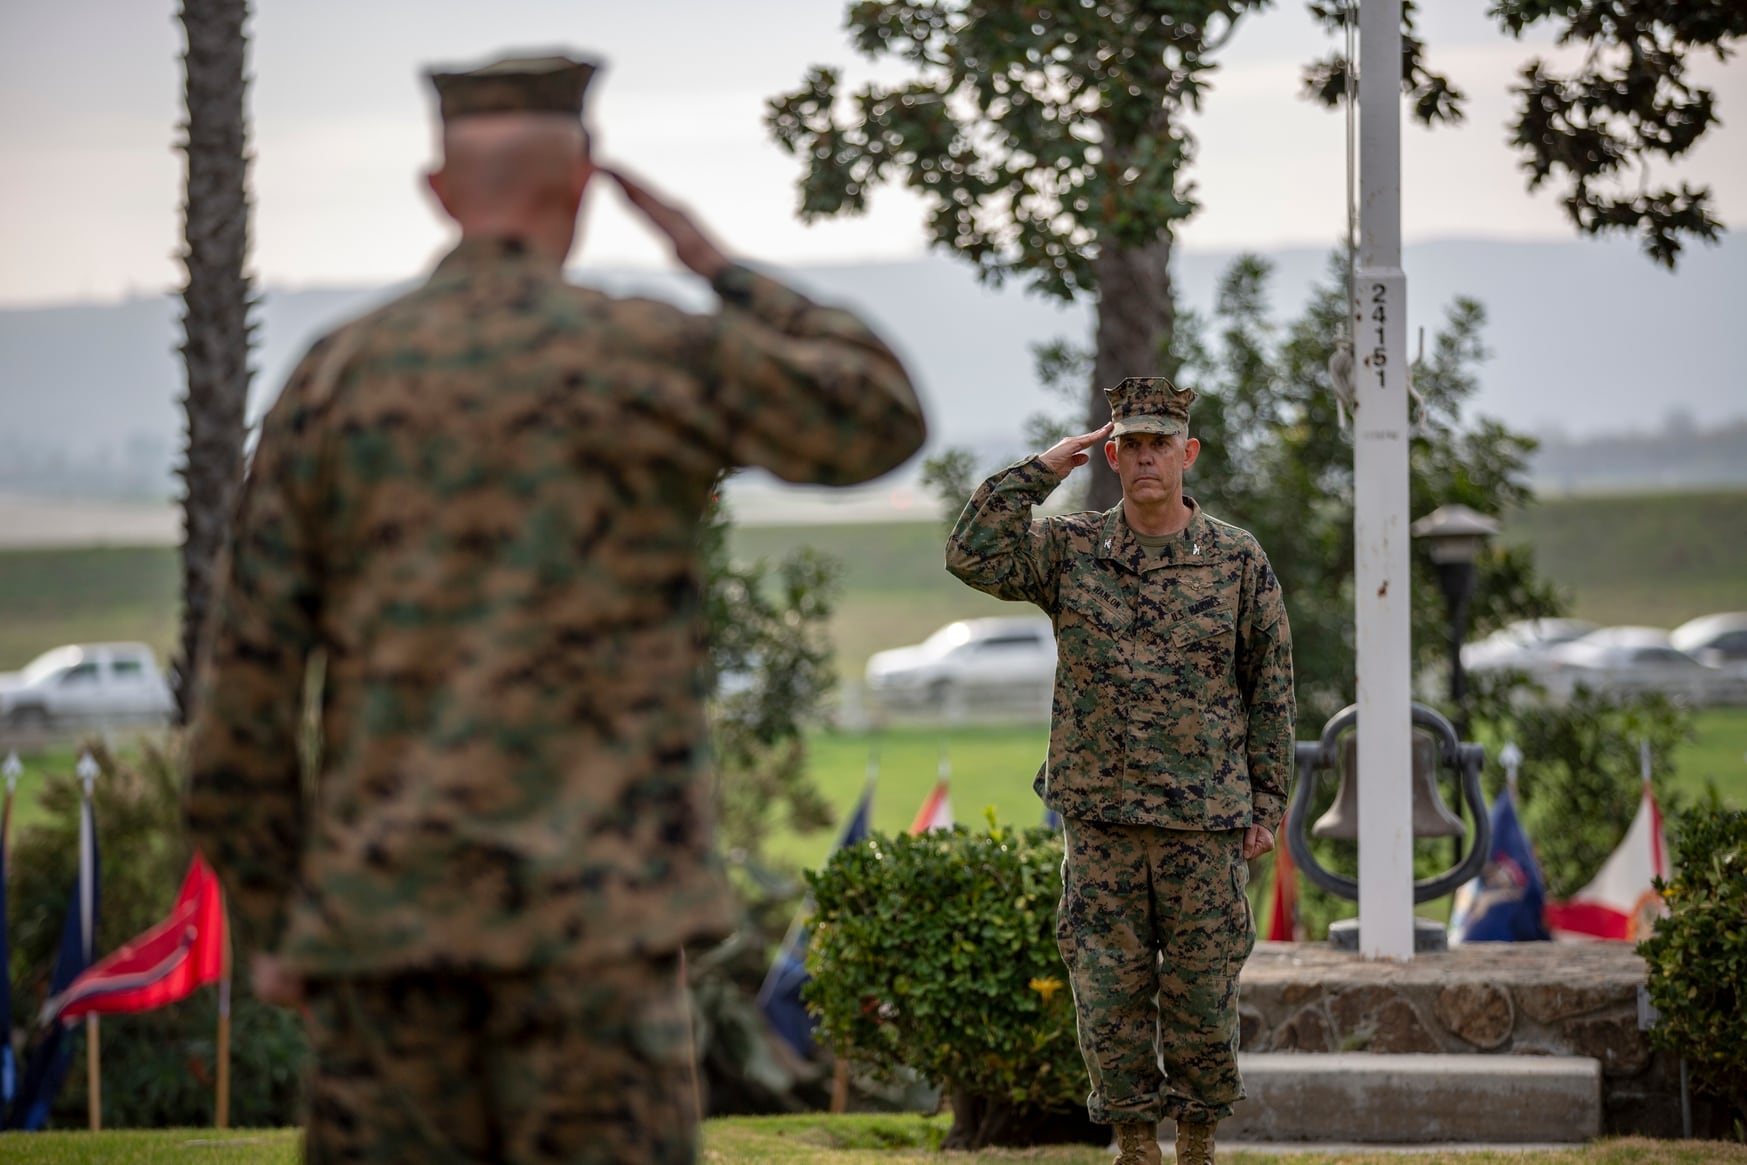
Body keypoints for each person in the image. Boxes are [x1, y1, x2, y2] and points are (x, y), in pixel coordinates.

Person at [183, 50, 926, 1165]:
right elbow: (878, 412)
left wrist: (275, 913)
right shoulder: (644, 354)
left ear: (439, 191)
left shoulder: (338, 379)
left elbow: (242, 686)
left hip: (387, 935)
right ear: (583, 184)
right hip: (600, 938)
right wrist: (718, 264)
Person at [945, 376, 1293, 1165]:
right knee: (1107, 992)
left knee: (1203, 993)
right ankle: (1134, 1140)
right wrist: (1041, 468)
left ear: (1186, 453)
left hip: (1203, 822)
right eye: (1129, 444)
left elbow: (1269, 685)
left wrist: (1266, 800)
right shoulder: (1070, 550)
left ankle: (1198, 1138)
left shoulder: (1236, 560)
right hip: (1100, 818)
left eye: (1158, 444)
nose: (1143, 458)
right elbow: (969, 552)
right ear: (1110, 453)